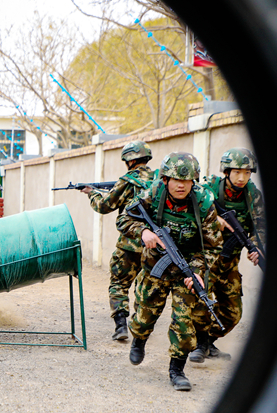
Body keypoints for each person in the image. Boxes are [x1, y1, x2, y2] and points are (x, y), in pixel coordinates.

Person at [117, 152, 222, 391]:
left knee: (184, 323)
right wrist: (143, 232)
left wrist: (196, 271)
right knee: (144, 317)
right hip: (155, 265)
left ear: (193, 181)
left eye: (187, 181)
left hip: (187, 270)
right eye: (176, 180)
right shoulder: (153, 193)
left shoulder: (204, 202)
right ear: (165, 179)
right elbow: (124, 220)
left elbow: (213, 246)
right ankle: (139, 340)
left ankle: (177, 370)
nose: (181, 185)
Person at [189, 147, 266, 362]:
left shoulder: (252, 195)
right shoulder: (209, 188)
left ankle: (208, 342)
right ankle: (199, 344)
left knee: (233, 312)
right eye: (237, 172)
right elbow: (191, 210)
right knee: (201, 302)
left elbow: (261, 225)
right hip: (206, 258)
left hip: (230, 260)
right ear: (226, 171)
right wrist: (215, 220)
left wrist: (258, 247)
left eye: (247, 173)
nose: (242, 178)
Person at [79, 140, 154, 341]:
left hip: (129, 244)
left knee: (119, 282)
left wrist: (92, 193)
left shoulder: (128, 180)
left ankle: (121, 325)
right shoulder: (159, 181)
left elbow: (104, 206)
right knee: (145, 285)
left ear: (129, 160)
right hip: (153, 245)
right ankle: (140, 326)